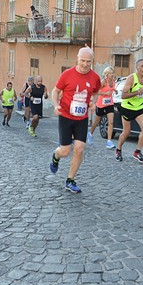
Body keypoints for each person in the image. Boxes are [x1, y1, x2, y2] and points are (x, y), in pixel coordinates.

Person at [50, 46, 101, 193]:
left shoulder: (95, 77)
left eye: (88, 62)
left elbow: (97, 92)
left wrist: (93, 102)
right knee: (66, 151)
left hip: (82, 118)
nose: (85, 64)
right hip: (66, 116)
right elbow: (56, 91)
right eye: (83, 61)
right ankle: (56, 155)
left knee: (79, 149)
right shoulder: (67, 74)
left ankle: (70, 180)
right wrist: (56, 105)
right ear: (77, 59)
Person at [115, 58, 143, 163]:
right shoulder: (131, 78)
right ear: (137, 67)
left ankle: (137, 152)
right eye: (142, 66)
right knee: (126, 133)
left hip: (139, 108)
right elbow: (124, 95)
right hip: (127, 108)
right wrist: (137, 92)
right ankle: (118, 149)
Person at [88, 66, 117, 149]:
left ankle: (109, 141)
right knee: (97, 121)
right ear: (107, 74)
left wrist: (115, 90)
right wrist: (105, 93)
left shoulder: (113, 81)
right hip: (101, 104)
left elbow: (112, 88)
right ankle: (90, 133)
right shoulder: (104, 81)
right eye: (111, 73)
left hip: (109, 103)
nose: (112, 75)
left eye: (113, 73)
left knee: (111, 122)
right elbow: (96, 91)